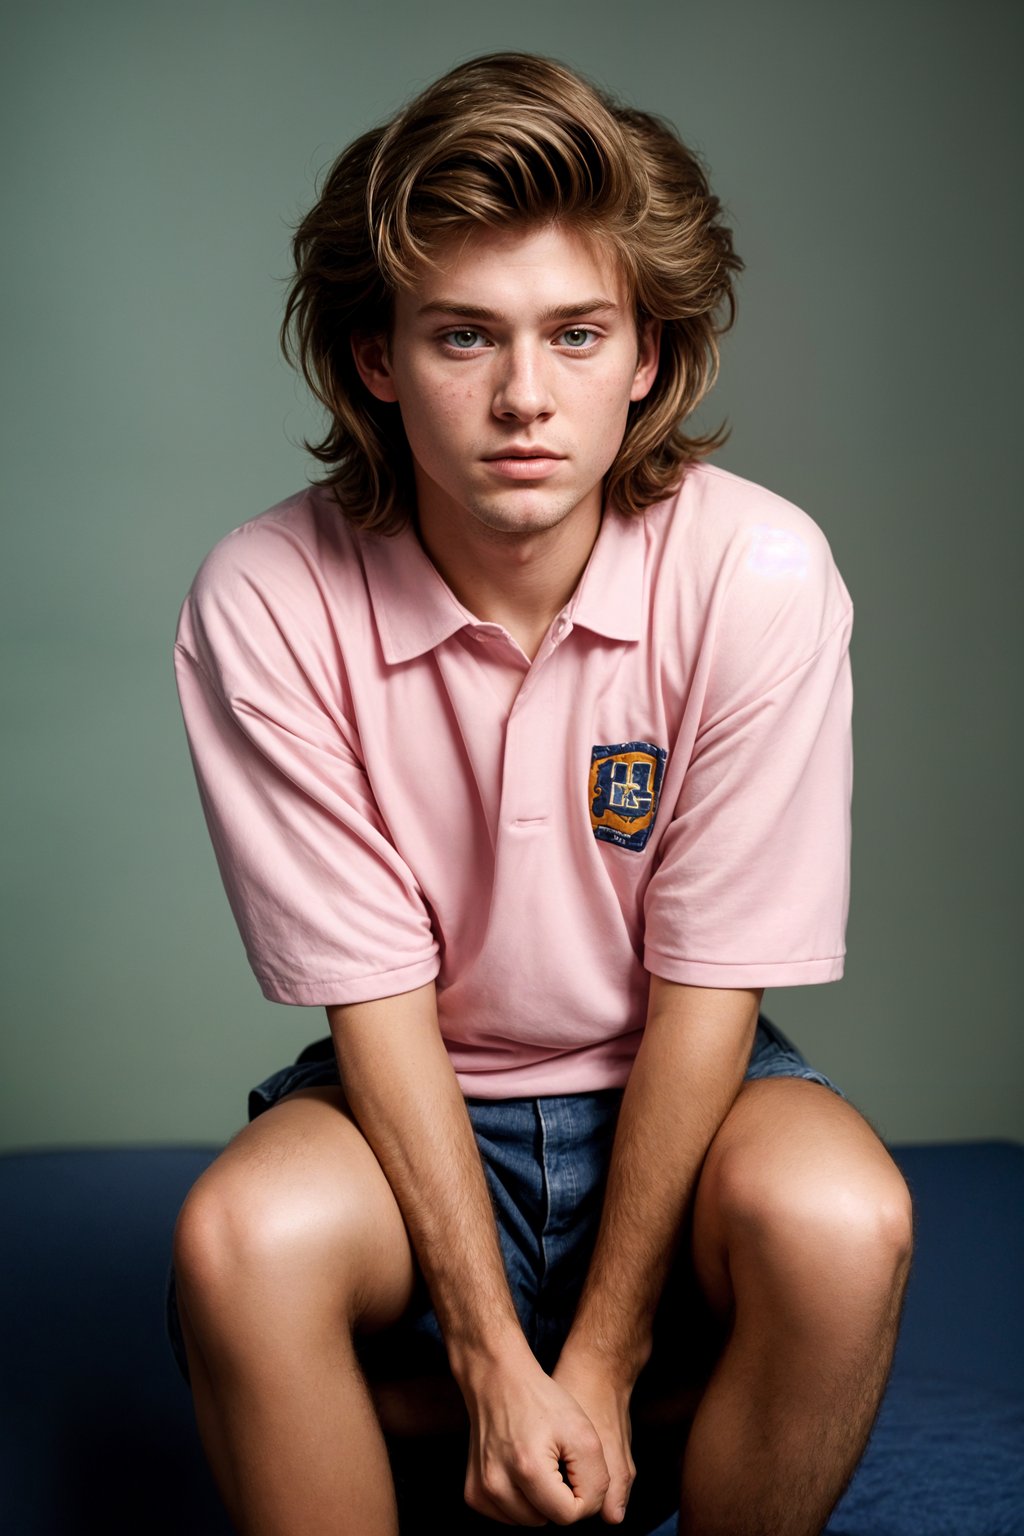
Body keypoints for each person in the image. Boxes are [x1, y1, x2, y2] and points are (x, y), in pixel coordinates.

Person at [165, 50, 913, 1536]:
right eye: (463, 338)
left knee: (845, 1217)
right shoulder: (266, 592)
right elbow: (373, 1009)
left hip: (680, 1089)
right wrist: (499, 1364)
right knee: (237, 1236)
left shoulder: (757, 569)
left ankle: (610, 1403)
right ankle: (441, 1408)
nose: (525, 399)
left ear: (647, 354)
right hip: (416, 1100)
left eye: (577, 335)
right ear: (377, 357)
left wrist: (608, 1355)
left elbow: (710, 984)